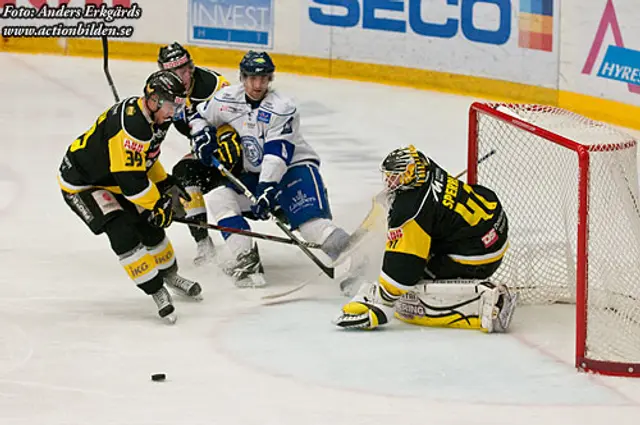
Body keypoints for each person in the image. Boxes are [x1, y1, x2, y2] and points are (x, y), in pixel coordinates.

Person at [188, 50, 353, 287]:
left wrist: (266, 189)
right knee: (219, 198)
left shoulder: (282, 108)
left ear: (270, 79)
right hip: (256, 175)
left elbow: (277, 155)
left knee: (310, 227)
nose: (258, 84)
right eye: (252, 78)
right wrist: (202, 135)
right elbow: (198, 116)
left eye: (264, 78)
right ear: (242, 77)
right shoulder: (226, 99)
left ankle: (360, 262)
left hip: (294, 170)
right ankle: (247, 261)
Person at [57, 69, 202, 324]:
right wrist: (159, 203)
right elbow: (131, 185)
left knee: (150, 223)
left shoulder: (157, 120)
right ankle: (156, 289)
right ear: (154, 100)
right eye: (171, 105)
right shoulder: (133, 127)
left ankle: (170, 274)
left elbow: (145, 160)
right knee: (122, 231)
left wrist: (163, 182)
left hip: (115, 178)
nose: (174, 112)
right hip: (83, 184)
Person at [335, 145, 517, 332]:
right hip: (493, 225)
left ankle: (485, 305)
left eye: (395, 176)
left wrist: (382, 301)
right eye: (388, 176)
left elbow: (404, 270)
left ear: (408, 174)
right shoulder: (425, 166)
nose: (390, 181)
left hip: (478, 255)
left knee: (413, 289)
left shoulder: (410, 211)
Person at [157, 42, 231, 266]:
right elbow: (156, 126)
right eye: (178, 72)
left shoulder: (215, 87)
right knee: (183, 174)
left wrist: (221, 144)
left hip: (233, 150)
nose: (186, 75)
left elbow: (239, 124)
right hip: (204, 154)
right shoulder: (162, 91)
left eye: (188, 68)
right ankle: (203, 242)